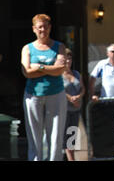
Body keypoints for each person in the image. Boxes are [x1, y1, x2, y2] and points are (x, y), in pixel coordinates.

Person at [21, 14, 68, 161]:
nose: (43, 30)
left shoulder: (59, 47)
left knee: (55, 135)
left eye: (46, 26)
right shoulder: (27, 48)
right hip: (33, 95)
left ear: (50, 28)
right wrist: (50, 68)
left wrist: (40, 67)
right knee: (34, 135)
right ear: (34, 29)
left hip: (56, 95)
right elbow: (27, 72)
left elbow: (60, 69)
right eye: (40, 27)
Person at [62, 47, 85, 161]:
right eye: (66, 59)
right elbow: (59, 90)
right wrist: (70, 98)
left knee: (72, 138)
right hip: (64, 110)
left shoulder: (76, 73)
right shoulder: (59, 75)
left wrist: (78, 97)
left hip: (76, 110)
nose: (68, 61)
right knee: (64, 139)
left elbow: (83, 88)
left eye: (70, 59)